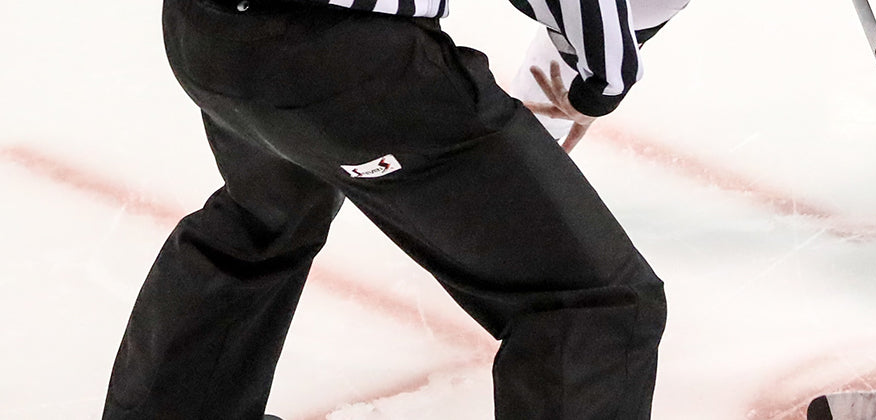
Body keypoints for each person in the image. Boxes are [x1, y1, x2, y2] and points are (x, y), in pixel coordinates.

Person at [105, 0, 682, 418]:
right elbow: (596, 45)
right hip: (344, 60)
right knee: (593, 301)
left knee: (269, 216)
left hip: (204, 34)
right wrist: (602, 74)